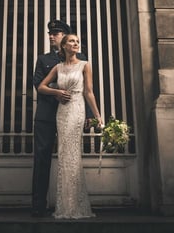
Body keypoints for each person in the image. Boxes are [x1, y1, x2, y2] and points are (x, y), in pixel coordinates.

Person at [38, 33, 103, 219]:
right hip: (62, 112)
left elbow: (89, 92)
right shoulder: (58, 67)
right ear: (64, 46)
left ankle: (75, 204)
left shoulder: (85, 65)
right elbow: (41, 87)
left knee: (73, 154)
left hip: (76, 110)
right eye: (72, 41)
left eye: (77, 41)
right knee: (64, 154)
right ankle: (65, 205)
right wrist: (56, 92)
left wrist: (97, 116)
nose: (76, 44)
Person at [31, 20, 87, 217]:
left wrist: (86, 114)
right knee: (42, 158)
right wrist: (56, 91)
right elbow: (37, 83)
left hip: (71, 113)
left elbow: (85, 90)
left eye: (55, 33)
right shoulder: (43, 59)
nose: (51, 36)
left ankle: (70, 205)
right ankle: (38, 205)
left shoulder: (80, 58)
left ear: (65, 36)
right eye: (50, 33)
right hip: (46, 115)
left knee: (71, 158)